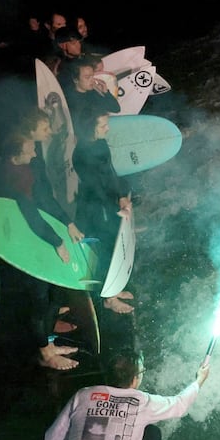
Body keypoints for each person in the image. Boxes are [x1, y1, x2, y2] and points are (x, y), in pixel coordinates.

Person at [44, 350, 210, 440]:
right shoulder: (142, 402)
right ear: (136, 378)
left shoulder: (83, 395)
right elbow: (179, 404)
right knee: (152, 433)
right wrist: (198, 381)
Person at [0, 131, 82, 370]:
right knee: (38, 299)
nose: (35, 153)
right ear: (14, 158)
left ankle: (48, 343)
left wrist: (67, 222)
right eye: (29, 150)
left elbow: (44, 199)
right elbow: (31, 216)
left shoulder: (26, 169)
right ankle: (44, 353)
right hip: (23, 242)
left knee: (51, 296)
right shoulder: (11, 180)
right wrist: (57, 241)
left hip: (39, 236)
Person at [72, 109, 133, 314]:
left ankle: (114, 289)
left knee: (114, 244)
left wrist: (121, 195)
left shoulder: (100, 143)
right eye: (103, 125)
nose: (108, 128)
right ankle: (109, 297)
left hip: (108, 201)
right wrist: (115, 207)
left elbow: (110, 172)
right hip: (95, 207)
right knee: (108, 248)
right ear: (90, 127)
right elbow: (97, 187)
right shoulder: (82, 154)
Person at [62, 58, 120, 122]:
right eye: (87, 77)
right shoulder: (69, 98)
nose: (92, 80)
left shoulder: (93, 93)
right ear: (75, 79)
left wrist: (105, 92)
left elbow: (116, 108)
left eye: (92, 76)